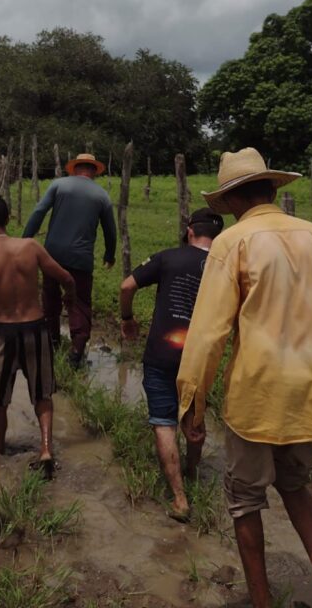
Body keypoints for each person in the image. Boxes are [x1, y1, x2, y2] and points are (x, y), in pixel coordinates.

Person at [177, 148, 312, 608]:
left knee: (245, 501)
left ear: (232, 199)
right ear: (270, 189)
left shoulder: (232, 243)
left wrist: (191, 403)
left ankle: (262, 601)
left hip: (257, 396)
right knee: (296, 487)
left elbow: (208, 334)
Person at [120, 207, 224, 521]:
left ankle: (179, 499)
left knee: (163, 422)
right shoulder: (224, 267)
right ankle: (192, 471)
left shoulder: (168, 258)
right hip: (199, 357)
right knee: (194, 416)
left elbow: (127, 286)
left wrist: (127, 318)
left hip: (162, 353)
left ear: (190, 231)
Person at [0, 195, 75, 479]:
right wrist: (69, 297)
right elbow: (66, 277)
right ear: (8, 219)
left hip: (2, 333)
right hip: (36, 328)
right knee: (42, 394)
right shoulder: (31, 247)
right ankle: (46, 449)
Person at [22, 152, 116, 367]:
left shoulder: (59, 185)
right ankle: (76, 350)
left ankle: (52, 339)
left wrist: (25, 239)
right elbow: (110, 230)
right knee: (80, 302)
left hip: (52, 254)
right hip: (81, 258)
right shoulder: (102, 195)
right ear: (94, 171)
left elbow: (39, 211)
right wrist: (109, 254)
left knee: (50, 296)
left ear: (74, 169)